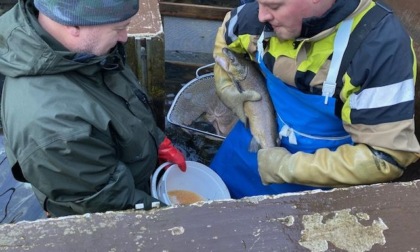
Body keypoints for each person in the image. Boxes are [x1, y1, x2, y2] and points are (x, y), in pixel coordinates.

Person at [210, 0, 420, 199]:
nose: (261, 14)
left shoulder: (381, 49)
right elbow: (228, 35)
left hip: (322, 172)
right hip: (251, 143)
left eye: (274, 5)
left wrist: (287, 167)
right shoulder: (258, 17)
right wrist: (225, 84)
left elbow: (386, 158)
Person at [0, 0, 187, 217]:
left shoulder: (82, 53)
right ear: (74, 26)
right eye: (119, 28)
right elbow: (109, 202)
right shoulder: (54, 128)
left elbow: (121, 98)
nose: (124, 37)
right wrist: (177, 216)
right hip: (104, 206)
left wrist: (155, 139)